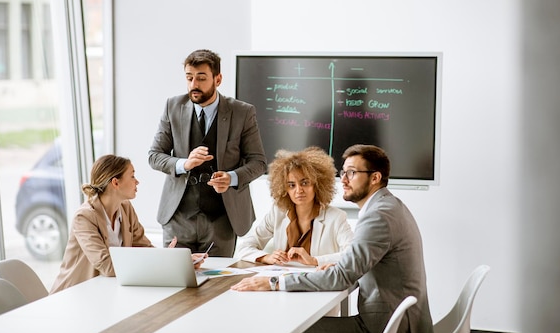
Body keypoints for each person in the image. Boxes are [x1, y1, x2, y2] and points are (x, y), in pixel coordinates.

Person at [232, 144, 434, 333]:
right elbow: (353, 261)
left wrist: (274, 282)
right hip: (396, 317)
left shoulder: (378, 216)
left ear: (375, 178)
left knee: (290, 329)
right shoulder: (388, 206)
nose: (344, 180)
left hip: (385, 327)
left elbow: (340, 278)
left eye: (352, 173)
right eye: (343, 173)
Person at [149, 49, 267, 257]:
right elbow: (155, 156)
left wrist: (231, 178)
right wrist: (183, 164)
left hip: (222, 219)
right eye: (189, 78)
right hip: (178, 217)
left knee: (217, 285)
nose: (194, 84)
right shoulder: (172, 106)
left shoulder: (242, 112)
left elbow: (258, 162)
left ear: (218, 79)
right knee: (175, 281)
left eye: (201, 78)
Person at [50, 155, 206, 294]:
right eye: (132, 176)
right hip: (73, 295)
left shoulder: (125, 209)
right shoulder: (84, 217)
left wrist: (177, 263)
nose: (137, 181)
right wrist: (160, 265)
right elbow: (107, 266)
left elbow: (144, 248)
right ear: (116, 183)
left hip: (103, 291)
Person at [234, 146, 353, 267]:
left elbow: (353, 255)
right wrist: (266, 257)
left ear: (317, 185)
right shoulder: (277, 213)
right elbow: (245, 247)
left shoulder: (336, 217)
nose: (298, 190)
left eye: (305, 183)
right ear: (284, 189)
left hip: (317, 282)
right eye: (291, 185)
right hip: (281, 282)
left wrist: (314, 260)